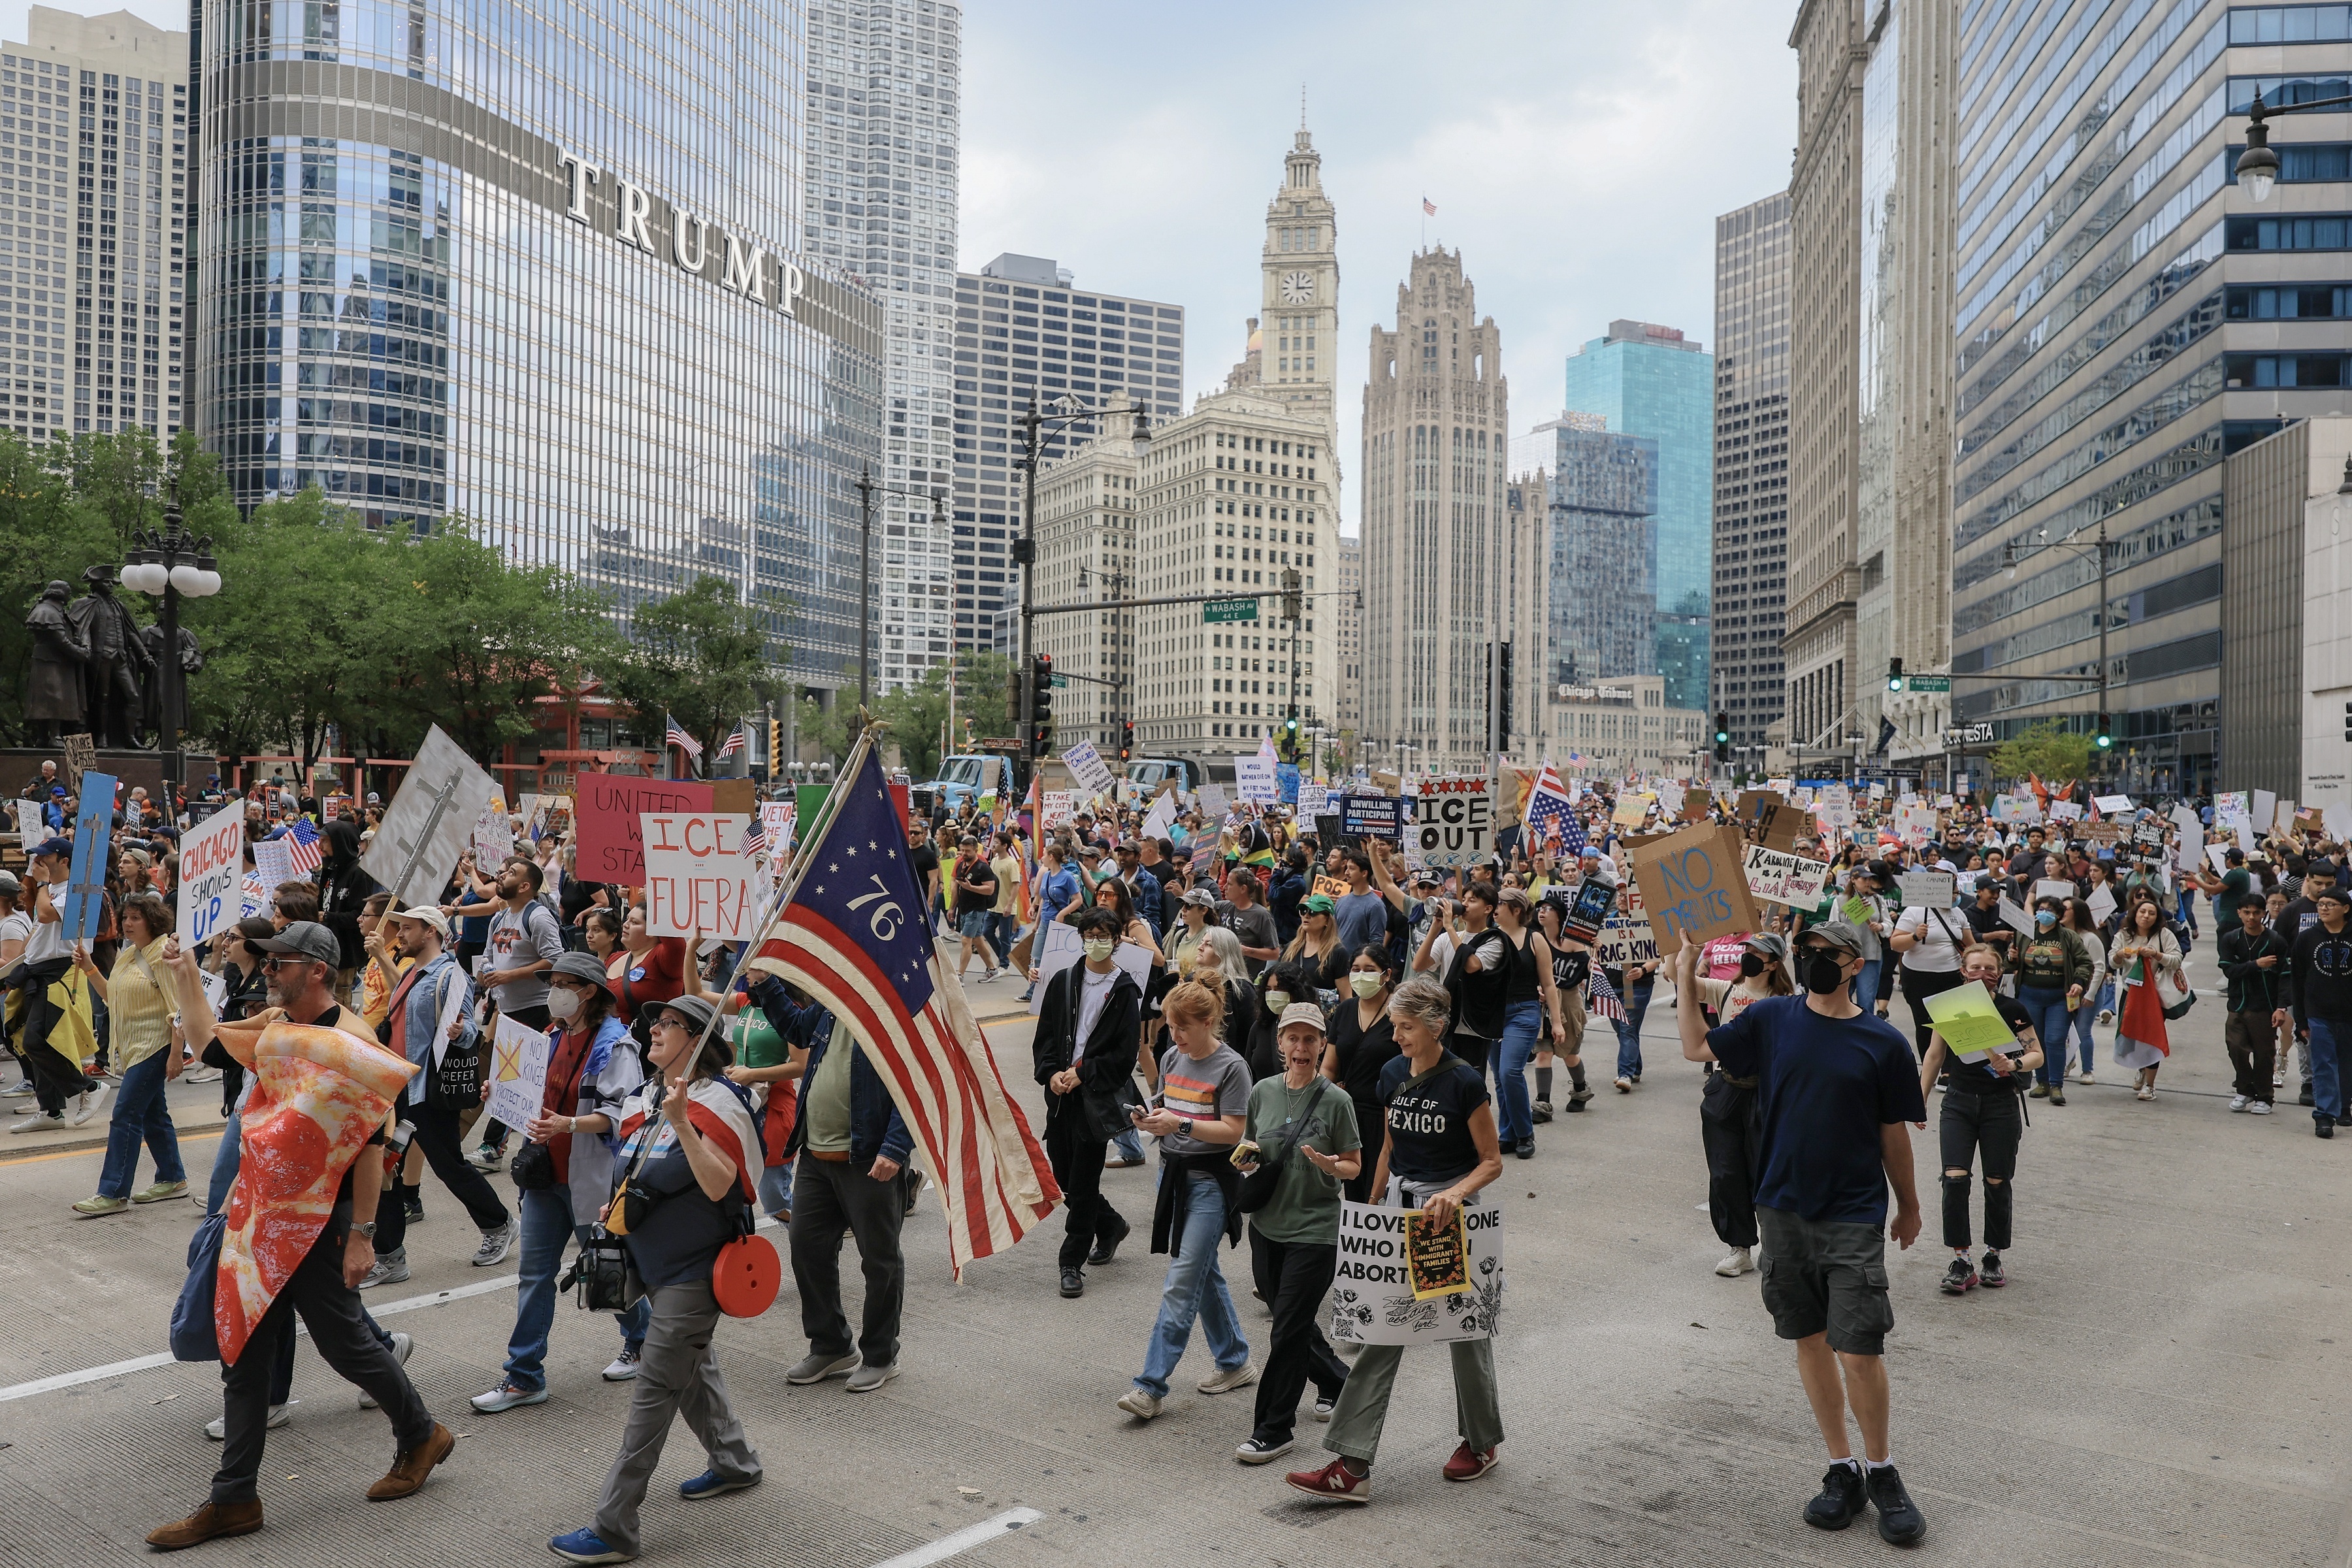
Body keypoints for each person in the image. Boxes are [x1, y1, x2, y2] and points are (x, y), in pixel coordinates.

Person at [145, 923, 453, 1551]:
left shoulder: (354, 1044)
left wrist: (362, 1235)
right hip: (260, 1215)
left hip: (321, 1222)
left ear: (316, 969)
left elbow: (372, 1150)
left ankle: (422, 1434)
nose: (266, 971)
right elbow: (207, 1043)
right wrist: (184, 974)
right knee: (243, 1354)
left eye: (279, 963)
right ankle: (234, 1498)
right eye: (267, 962)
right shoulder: (278, 1024)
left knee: (347, 1346)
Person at [1671, 924, 1929, 1547]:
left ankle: (1883, 1471)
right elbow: (1696, 1047)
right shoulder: (1771, 1019)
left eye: (1827, 954)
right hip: (1781, 1209)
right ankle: (1842, 1468)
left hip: (1852, 1214)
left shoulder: (1884, 1042)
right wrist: (1684, 974)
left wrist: (1910, 1206)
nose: (1814, 961)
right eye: (1807, 952)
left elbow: (1893, 1131)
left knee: (1859, 1349)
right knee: (1808, 1339)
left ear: (1855, 965)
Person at [547, 993, 764, 1567]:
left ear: (697, 1038)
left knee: (654, 1392)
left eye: (668, 1024)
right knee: (692, 1372)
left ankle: (615, 1527)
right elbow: (636, 1172)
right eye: (654, 1023)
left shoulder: (721, 1102)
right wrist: (615, 1208)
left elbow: (720, 1185)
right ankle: (735, 1462)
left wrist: (683, 1123)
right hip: (649, 1265)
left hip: (695, 1273)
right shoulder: (646, 1098)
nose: (653, 1031)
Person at [1284, 975, 1503, 1503]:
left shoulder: (1464, 1082)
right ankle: (1352, 1465)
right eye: (1395, 1027)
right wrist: (1372, 1208)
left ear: (1436, 1026)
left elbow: (1492, 1161)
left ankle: (1480, 1442)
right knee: (1381, 1332)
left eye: (1406, 1027)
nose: (1398, 1036)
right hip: (1396, 1213)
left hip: (1444, 1224)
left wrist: (1454, 1194)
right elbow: (1387, 1149)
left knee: (1465, 1334)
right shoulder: (1391, 1074)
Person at [472, 952, 651, 1413]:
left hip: (588, 1180)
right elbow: (530, 1092)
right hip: (543, 1177)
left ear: (589, 992)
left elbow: (626, 1114)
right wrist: (501, 1092)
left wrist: (569, 1125)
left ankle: (645, 1342)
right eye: (552, 983)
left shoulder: (616, 1046)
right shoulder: (550, 1037)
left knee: (605, 1268)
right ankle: (524, 1376)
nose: (553, 992)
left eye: (563, 984)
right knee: (534, 1276)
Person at [744, 972, 915, 1390]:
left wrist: (895, 1148)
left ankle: (880, 1354)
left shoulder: (892, 1012)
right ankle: (831, 1345)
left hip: (867, 1160)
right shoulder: (831, 1004)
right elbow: (796, 1029)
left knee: (880, 1261)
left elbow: (914, 1086)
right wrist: (765, 984)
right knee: (807, 1250)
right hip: (815, 1157)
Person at [1117, 977, 1255, 1420]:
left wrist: (1180, 1124)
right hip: (1171, 1176)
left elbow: (1235, 1130)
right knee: (1202, 1272)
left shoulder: (1232, 1067)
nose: (1173, 1035)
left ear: (1208, 1022)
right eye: (1170, 1026)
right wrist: (1149, 1114)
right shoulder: (1173, 1056)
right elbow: (1168, 1100)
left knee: (1181, 1281)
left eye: (1182, 1027)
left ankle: (1150, 1386)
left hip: (1212, 1183)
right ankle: (1234, 1360)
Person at [1235, 1003, 1360, 1465]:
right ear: (1281, 1043)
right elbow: (1251, 1145)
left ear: (1322, 1045)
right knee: (1293, 1321)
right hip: (1267, 1226)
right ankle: (1336, 1380)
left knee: (1286, 1332)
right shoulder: (1263, 1092)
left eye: (1310, 1039)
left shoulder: (1337, 1101)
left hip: (1316, 1230)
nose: (1301, 1047)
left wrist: (1333, 1167)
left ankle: (1273, 1429)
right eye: (1293, 1038)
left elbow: (1354, 1165)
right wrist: (1246, 1161)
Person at [359, 907, 514, 1281]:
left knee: (448, 1165)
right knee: (387, 1168)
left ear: (431, 932)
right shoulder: (411, 973)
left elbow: (471, 1029)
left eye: (407, 928)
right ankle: (389, 1256)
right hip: (397, 1088)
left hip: (426, 1090)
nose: (400, 935)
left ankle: (499, 1225)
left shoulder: (449, 975)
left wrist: (460, 1033)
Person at [1916, 945, 2042, 1294]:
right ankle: (1961, 1260)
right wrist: (1918, 1101)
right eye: (1975, 968)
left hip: (2000, 1106)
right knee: (1954, 1179)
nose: (1982, 974)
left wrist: (2015, 1063)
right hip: (1958, 1103)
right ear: (1963, 971)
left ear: (1999, 973)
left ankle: (1993, 1256)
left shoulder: (2013, 1010)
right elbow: (1934, 1055)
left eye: (1990, 968)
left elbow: (2037, 1054)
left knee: (1997, 1181)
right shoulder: (1950, 1006)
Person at [1032, 907, 1141, 1298]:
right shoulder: (1064, 981)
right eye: (1090, 935)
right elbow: (1045, 1037)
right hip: (1062, 1095)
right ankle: (1110, 1224)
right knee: (1063, 1179)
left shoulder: (1124, 990)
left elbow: (1124, 1054)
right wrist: (1051, 1074)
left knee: (1083, 1180)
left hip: (1094, 1098)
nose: (1096, 942)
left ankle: (1071, 1261)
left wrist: (1085, 1072)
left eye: (1104, 935)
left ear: (1117, 940)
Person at [67, 891, 188, 1213]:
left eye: (136, 918)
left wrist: (177, 1054)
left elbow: (179, 1009)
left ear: (153, 921)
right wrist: (90, 968)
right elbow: (113, 997)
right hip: (133, 1049)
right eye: (125, 918)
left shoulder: (164, 952)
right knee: (152, 1115)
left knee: (125, 1115)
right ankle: (173, 1178)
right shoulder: (129, 953)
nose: (128, 924)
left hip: (155, 1046)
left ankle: (114, 1192)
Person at [1691, 932, 1794, 1278]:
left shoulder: (1788, 1001)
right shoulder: (1725, 990)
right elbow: (1684, 983)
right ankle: (1740, 1248)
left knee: (1767, 1171)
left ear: (1774, 964)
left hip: (1767, 1092)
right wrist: (1683, 954)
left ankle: (1777, 1247)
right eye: (1746, 951)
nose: (1748, 957)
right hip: (1726, 1089)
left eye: (1758, 953)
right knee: (1725, 1171)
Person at [1488, 887, 1568, 1159]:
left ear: (1517, 910)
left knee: (1510, 1072)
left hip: (1524, 1012)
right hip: (1494, 1015)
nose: (1495, 907)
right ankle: (1508, 1134)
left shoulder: (1535, 939)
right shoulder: (1491, 936)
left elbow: (1549, 983)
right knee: (1500, 1078)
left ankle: (1525, 1133)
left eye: (1500, 903)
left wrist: (1556, 1022)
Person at [1320, 946, 1399, 1205]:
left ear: (1387, 975)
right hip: (1349, 1116)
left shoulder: (1399, 1013)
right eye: (1356, 970)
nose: (1361, 976)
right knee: (1354, 1191)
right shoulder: (1345, 1010)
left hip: (1386, 1115)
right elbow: (1329, 1067)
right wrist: (1322, 1096)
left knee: (1380, 1194)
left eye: (1369, 970)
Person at [2009, 896, 2089, 1105]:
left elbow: (2084, 962)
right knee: (2035, 1041)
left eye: (2050, 910)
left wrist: (2079, 982)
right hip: (2029, 996)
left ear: (2059, 915)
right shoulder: (2025, 934)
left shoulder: (2069, 937)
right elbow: (2011, 965)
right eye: (2041, 909)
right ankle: (2042, 1082)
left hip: (2059, 998)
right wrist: (2011, 957)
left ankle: (2056, 1085)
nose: (2045, 913)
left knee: (2055, 1039)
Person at [2287, 885, 2352, 1139]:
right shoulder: (2307, 939)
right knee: (2323, 1064)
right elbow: (2297, 980)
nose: (2324, 909)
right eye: (2321, 904)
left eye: (2330, 905)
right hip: (2318, 1014)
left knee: (2346, 1063)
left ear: (2345, 909)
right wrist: (2301, 1019)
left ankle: (2344, 1107)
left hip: (2348, 1014)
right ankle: (2324, 1116)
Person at [2217, 893, 2288, 1117]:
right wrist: (2256, 964)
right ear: (2239, 913)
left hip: (2264, 1006)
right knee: (2235, 1046)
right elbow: (2229, 970)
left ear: (2263, 914)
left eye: (2256, 913)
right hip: (2237, 1003)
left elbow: (2285, 976)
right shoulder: (2231, 939)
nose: (2251, 917)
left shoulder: (2275, 941)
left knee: (2264, 1053)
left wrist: (2281, 1007)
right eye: (2247, 912)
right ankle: (2245, 1089)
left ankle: (2265, 1096)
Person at [2110, 897, 2181, 1102]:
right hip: (2130, 992)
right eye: (2142, 912)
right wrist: (2120, 955)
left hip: (2154, 995)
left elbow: (2177, 960)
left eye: (2152, 913)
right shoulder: (2123, 935)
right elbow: (2113, 963)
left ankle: (2150, 1085)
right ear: (2135, 914)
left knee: (2151, 1038)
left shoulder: (2164, 935)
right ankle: (2141, 1067)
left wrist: (2157, 955)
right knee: (2131, 1035)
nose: (2146, 916)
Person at [1889, 890, 1973, 1056]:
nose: (1956, 897)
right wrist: (1915, 936)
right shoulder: (1915, 911)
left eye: (1957, 893)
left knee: (1952, 1024)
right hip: (1919, 979)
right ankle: (1928, 1065)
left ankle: (1948, 1066)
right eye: (1953, 893)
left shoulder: (1958, 914)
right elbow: (1895, 944)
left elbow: (1970, 945)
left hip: (1952, 977)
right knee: (1925, 1025)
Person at [2061, 897, 2109, 1086]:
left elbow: (2099, 968)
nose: (2061, 912)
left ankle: (2087, 1070)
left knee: (2083, 1030)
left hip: (2089, 991)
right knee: (2065, 1030)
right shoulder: (2061, 936)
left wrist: (2090, 994)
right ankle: (2068, 1061)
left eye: (2066, 908)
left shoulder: (2090, 938)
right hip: (2068, 992)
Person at [952, 836, 1000, 983]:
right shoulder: (961, 865)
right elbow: (957, 886)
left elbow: (990, 889)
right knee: (977, 939)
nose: (964, 854)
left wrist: (971, 887)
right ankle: (992, 969)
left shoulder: (982, 868)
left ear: (976, 850)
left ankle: (960, 975)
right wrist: (952, 908)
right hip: (964, 908)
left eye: (968, 851)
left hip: (976, 909)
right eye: (963, 850)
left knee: (966, 940)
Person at [1218, 869, 1281, 978]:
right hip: (1222, 973)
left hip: (1245, 977)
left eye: (1230, 884)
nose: (1225, 887)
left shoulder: (1261, 915)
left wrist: (1245, 951)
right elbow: (1199, 907)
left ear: (1243, 889)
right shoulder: (1225, 906)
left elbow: (1274, 954)